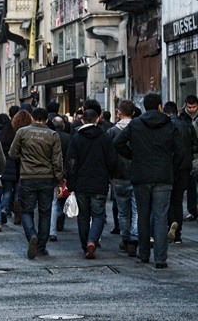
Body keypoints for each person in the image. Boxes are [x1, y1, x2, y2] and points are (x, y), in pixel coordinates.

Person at [114, 93, 184, 269]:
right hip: (163, 176)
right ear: (160, 107)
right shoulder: (170, 124)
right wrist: (170, 165)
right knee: (160, 217)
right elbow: (180, 151)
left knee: (143, 216)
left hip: (141, 175)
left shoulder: (136, 124)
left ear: (144, 107)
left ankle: (143, 253)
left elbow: (117, 143)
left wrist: (133, 156)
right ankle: (160, 258)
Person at [10, 107, 64, 259]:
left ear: (32, 118)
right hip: (47, 178)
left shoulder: (22, 132)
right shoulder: (53, 135)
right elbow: (57, 161)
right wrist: (59, 182)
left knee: (27, 210)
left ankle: (31, 235)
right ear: (47, 120)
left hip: (27, 176)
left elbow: (13, 153)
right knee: (45, 213)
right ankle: (41, 247)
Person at [65, 109, 117, 259]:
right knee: (98, 215)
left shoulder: (76, 138)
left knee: (83, 216)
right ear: (97, 119)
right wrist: (108, 175)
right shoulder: (104, 138)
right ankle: (92, 241)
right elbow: (112, 160)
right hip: (99, 182)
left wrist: (71, 181)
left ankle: (85, 245)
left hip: (81, 182)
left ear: (82, 121)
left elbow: (71, 162)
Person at [107, 100, 138, 256]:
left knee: (122, 211)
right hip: (137, 174)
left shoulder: (112, 132)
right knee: (136, 210)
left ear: (119, 112)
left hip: (118, 176)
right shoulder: (139, 128)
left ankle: (125, 238)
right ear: (133, 112)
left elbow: (108, 155)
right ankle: (134, 237)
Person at [163, 101, 197, 244]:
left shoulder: (165, 126)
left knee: (166, 200)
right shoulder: (188, 125)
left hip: (168, 168)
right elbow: (195, 146)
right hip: (184, 168)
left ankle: (171, 223)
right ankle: (178, 235)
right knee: (178, 200)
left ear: (165, 112)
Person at [49, 116, 70, 242]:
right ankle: (60, 214)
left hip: (50, 172)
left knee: (52, 201)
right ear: (63, 126)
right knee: (61, 197)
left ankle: (53, 227)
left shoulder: (49, 137)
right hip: (64, 171)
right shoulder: (68, 137)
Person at [179, 95, 198, 221]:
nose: (191, 109)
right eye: (189, 107)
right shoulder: (182, 117)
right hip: (189, 156)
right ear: (185, 105)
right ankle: (192, 211)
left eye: (194, 107)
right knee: (191, 185)